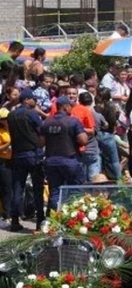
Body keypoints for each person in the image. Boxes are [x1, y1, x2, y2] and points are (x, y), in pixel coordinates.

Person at [40, 96, 88, 212]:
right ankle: (73, 218)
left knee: (55, 192)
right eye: (70, 106)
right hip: (69, 160)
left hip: (51, 161)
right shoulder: (73, 121)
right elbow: (83, 140)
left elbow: (40, 142)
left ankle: (55, 219)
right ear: (66, 107)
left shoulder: (46, 122)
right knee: (75, 191)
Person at [7, 89, 44, 232]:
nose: (35, 101)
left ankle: (14, 221)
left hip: (17, 155)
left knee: (17, 188)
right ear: (26, 100)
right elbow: (41, 130)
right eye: (33, 99)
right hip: (33, 154)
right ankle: (40, 221)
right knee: (37, 189)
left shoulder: (11, 115)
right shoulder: (31, 114)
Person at [0, 108, 11, 227]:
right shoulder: (1, 132)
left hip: (14, 161)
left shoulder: (14, 129)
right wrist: (9, 144)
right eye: (4, 119)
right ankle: (6, 214)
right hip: (3, 162)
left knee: (13, 187)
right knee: (6, 189)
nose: (7, 121)